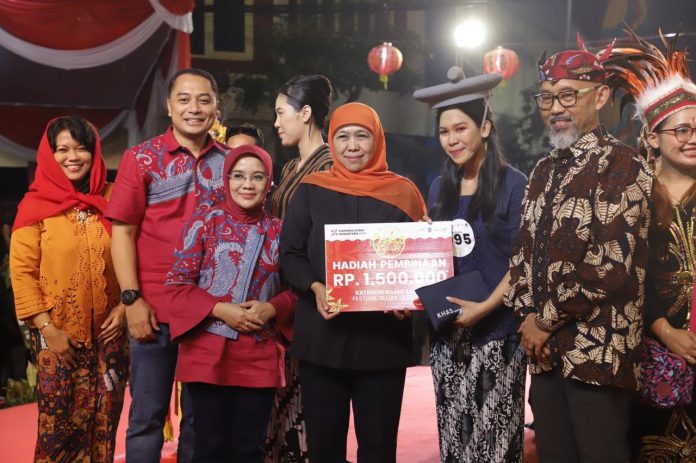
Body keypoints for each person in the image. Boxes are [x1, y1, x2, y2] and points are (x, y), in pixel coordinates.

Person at [503, 39, 653, 462]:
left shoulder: (623, 164)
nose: (555, 108)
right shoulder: (542, 169)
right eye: (547, 97)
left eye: (568, 95)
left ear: (600, 96)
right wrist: (527, 320)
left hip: (598, 354)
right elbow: (523, 253)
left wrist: (543, 321)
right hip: (545, 354)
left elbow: (608, 266)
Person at [280, 102, 427, 463]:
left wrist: (408, 300)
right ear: (331, 141)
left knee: (379, 450)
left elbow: (421, 264)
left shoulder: (404, 194)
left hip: (382, 344)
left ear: (377, 140)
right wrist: (315, 288)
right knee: (324, 448)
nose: (352, 146)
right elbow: (290, 254)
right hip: (322, 340)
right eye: (343, 137)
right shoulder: (311, 189)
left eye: (362, 136)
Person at [105, 68, 228, 463]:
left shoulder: (231, 163)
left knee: (201, 420)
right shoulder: (141, 159)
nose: (194, 108)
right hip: (154, 310)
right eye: (184, 99)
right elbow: (122, 233)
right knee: (147, 416)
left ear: (216, 107)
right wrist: (132, 300)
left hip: (210, 312)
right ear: (169, 106)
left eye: (204, 100)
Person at [413, 67, 528, 462]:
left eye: (460, 128)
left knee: (496, 444)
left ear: (485, 127)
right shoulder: (438, 188)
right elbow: (437, 258)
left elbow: (523, 260)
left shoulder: (514, 184)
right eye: (444, 132)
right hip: (448, 335)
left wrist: (486, 307)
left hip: (498, 332)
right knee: (454, 442)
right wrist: (422, 241)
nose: (452, 140)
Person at [164, 145, 297, 462]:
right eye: (238, 176)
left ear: (269, 182)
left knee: (248, 450)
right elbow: (176, 285)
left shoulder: (279, 231)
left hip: (259, 354)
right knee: (208, 448)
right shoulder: (204, 222)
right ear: (226, 179)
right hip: (207, 354)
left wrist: (272, 308)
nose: (247, 184)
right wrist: (221, 310)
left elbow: (298, 290)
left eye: (257, 177)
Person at [10, 116, 128, 462]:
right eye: (62, 149)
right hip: (58, 339)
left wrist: (126, 307)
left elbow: (138, 256)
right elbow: (22, 273)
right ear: (50, 155)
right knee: (58, 430)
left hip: (111, 338)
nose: (72, 157)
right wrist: (48, 330)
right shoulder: (35, 206)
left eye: (81, 148)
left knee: (105, 421)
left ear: (95, 152)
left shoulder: (114, 198)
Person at [603, 30, 696, 461]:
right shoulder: (631, 196)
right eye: (681, 129)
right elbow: (620, 278)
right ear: (653, 137)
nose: (692, 138)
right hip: (651, 351)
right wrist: (665, 332)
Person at [266, 74, 333, 462]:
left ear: (305, 113)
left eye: (281, 113)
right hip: (281, 292)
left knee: (306, 405)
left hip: (309, 294)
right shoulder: (291, 168)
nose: (276, 122)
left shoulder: (330, 166)